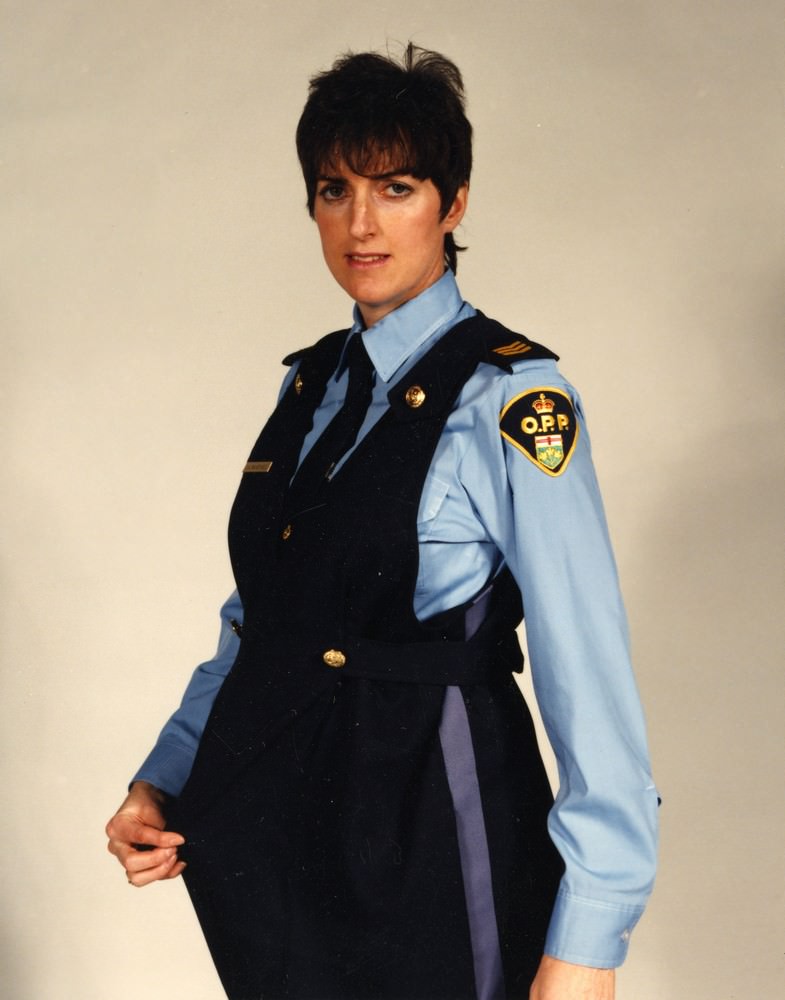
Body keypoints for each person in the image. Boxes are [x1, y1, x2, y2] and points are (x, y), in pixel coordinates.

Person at [106, 44, 658, 1000]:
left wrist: (590, 936)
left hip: (436, 829)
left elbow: (586, 665)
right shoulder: (310, 385)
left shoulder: (511, 399)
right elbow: (262, 622)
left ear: (453, 203)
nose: (360, 224)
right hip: (284, 846)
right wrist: (164, 779)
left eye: (395, 188)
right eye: (335, 190)